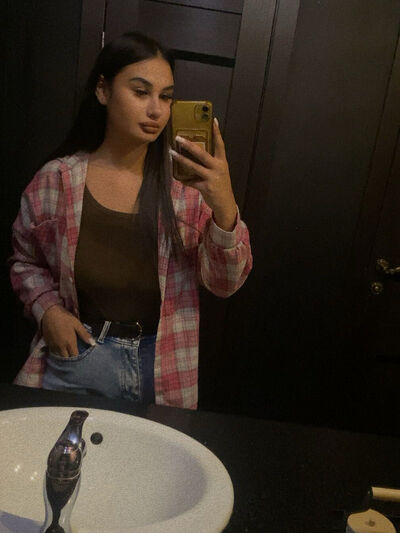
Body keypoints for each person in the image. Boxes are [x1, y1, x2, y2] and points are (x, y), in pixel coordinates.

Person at [9, 31, 252, 409]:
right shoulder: (58, 180)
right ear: (103, 90)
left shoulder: (186, 189)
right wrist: (48, 310)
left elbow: (225, 284)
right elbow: (25, 261)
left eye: (166, 96)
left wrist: (224, 203)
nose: (156, 110)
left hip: (163, 365)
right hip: (79, 356)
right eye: (141, 92)